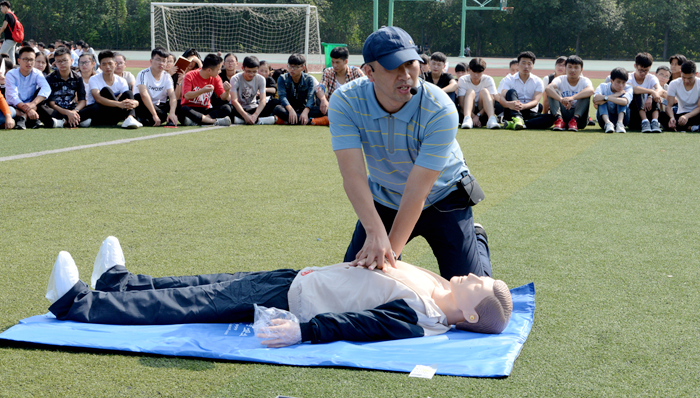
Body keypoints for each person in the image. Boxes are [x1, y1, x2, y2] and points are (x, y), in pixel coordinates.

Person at [45, 237, 513, 347]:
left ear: (471, 315)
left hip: (289, 302)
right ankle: (118, 283)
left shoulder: (421, 317)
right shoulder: (439, 287)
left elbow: (359, 326)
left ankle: (75, 304)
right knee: (201, 285)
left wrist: (304, 332)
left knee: (190, 304)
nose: (471, 276)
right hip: (295, 279)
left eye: (478, 285)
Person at [329, 26, 493, 280]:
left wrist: (388, 257)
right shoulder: (345, 101)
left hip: (444, 196)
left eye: (410, 64)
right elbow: (353, 176)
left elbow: (418, 191)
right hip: (385, 197)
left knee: (473, 298)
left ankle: (476, 238)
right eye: (393, 67)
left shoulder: (440, 108)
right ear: (369, 72)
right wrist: (375, 232)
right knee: (355, 282)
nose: (406, 75)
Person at [82, 50, 142, 128]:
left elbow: (128, 98)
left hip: (115, 114)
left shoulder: (121, 80)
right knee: (106, 90)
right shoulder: (94, 79)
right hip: (100, 111)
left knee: (128, 93)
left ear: (115, 64)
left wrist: (135, 103)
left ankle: (130, 118)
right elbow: (98, 98)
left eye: (110, 64)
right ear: (100, 67)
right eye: (104, 64)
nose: (107, 67)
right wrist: (119, 104)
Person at [37, 47, 90, 128]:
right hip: (56, 110)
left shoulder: (77, 77)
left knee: (95, 107)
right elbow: (52, 104)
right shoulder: (50, 78)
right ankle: (75, 121)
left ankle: (63, 122)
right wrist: (67, 113)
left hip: (72, 108)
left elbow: (82, 100)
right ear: (55, 63)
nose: (62, 63)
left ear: (71, 61)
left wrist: (74, 111)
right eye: (59, 61)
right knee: (40, 107)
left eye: (65, 60)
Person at [497, 52, 551, 130]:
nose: (526, 66)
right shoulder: (509, 79)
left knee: (550, 118)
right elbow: (502, 97)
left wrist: (523, 106)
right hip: (512, 111)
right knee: (511, 92)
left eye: (529, 64)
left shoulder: (538, 81)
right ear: (518, 64)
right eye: (523, 63)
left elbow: (535, 101)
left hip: (529, 111)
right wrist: (508, 104)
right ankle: (518, 118)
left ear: (533, 66)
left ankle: (518, 124)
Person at [4, 46, 52, 129]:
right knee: (8, 112)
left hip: (32, 105)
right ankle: (26, 116)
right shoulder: (11, 74)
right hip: (15, 106)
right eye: (25, 59)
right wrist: (28, 110)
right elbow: (12, 97)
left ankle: (23, 118)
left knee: (41, 95)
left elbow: (46, 88)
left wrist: (33, 104)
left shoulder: (37, 73)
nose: (29, 62)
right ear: (19, 61)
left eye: (31, 60)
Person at [179, 53, 233, 127]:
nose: (220, 71)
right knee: (183, 110)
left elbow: (224, 97)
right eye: (218, 69)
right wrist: (202, 91)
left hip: (205, 110)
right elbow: (187, 96)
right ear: (209, 70)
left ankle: (199, 121)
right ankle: (214, 121)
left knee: (227, 108)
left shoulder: (216, 78)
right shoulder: (190, 75)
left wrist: (227, 91)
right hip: (190, 108)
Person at [274, 53, 327, 126]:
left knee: (320, 110)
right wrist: (290, 110)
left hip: (304, 108)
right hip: (288, 108)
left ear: (303, 67)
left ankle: (289, 121)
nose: (292, 69)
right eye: (290, 66)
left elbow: (310, 98)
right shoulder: (282, 78)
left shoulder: (309, 79)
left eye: (295, 67)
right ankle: (308, 121)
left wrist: (305, 111)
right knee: (277, 109)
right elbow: (282, 97)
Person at [544, 55, 594, 132]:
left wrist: (572, 98)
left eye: (576, 67)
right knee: (553, 91)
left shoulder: (585, 80)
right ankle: (559, 120)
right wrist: (561, 100)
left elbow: (591, 90)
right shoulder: (560, 79)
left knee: (585, 94)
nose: (572, 70)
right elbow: (548, 88)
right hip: (563, 113)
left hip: (579, 119)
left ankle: (574, 120)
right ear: (566, 68)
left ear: (581, 69)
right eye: (570, 67)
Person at [133, 47, 178, 127]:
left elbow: (172, 96)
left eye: (164, 61)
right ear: (151, 61)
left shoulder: (167, 76)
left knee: (178, 103)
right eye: (158, 60)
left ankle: (146, 120)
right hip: (145, 105)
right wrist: (154, 115)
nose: (161, 63)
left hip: (159, 106)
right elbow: (143, 94)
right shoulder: (143, 74)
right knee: (138, 96)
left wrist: (172, 113)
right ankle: (152, 118)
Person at [229, 55, 277, 125]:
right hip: (239, 109)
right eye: (248, 71)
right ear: (243, 68)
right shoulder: (235, 79)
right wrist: (245, 116)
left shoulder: (261, 79)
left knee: (274, 102)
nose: (251, 74)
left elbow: (263, 100)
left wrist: (255, 115)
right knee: (226, 108)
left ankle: (241, 120)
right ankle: (260, 120)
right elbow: (234, 100)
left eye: (254, 71)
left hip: (253, 108)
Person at [317, 46, 365, 115]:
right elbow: (320, 88)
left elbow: (367, 86)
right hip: (333, 107)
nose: (334, 65)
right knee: (319, 100)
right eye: (332, 62)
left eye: (337, 62)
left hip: (352, 107)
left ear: (346, 61)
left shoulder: (356, 72)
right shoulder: (328, 72)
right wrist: (323, 100)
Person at [456, 57, 501, 129]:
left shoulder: (488, 79)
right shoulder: (463, 80)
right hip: (467, 113)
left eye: (479, 72)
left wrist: (478, 116)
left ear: (483, 71)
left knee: (484, 91)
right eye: (474, 72)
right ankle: (467, 119)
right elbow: (461, 103)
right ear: (469, 70)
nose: (476, 75)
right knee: (470, 91)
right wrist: (473, 117)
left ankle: (492, 119)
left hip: (483, 114)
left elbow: (491, 101)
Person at [661, 60, 700, 132]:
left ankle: (689, 128)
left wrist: (686, 116)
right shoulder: (674, 84)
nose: (686, 81)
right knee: (661, 115)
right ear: (680, 72)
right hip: (680, 116)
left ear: (696, 74)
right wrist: (671, 117)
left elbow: (699, 107)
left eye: (690, 78)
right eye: (683, 77)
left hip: (696, 114)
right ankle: (693, 128)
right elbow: (668, 106)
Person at [628, 52, 663, 133]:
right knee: (639, 93)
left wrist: (651, 96)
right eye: (640, 70)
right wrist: (651, 91)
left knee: (656, 94)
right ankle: (644, 121)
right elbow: (632, 89)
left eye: (646, 70)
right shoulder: (629, 76)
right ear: (635, 66)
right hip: (634, 114)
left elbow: (660, 89)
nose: (643, 73)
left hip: (649, 110)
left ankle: (654, 121)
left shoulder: (651, 77)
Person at [592, 67, 632, 133]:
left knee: (621, 98)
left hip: (623, 119)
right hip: (603, 121)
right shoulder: (603, 86)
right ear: (611, 81)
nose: (621, 85)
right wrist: (613, 95)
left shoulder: (628, 88)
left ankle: (620, 123)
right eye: (618, 82)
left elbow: (625, 102)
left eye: (623, 82)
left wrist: (606, 98)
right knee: (602, 100)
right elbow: (595, 100)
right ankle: (608, 123)